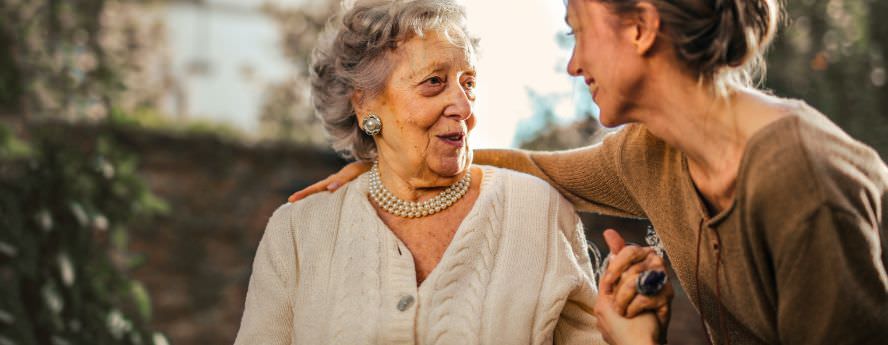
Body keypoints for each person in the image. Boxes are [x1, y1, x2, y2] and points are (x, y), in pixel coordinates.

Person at [290, 0, 888, 344]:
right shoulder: (651, 153)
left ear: (640, 27)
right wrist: (388, 164)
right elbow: (531, 167)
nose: (573, 64)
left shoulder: (802, 181)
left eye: (578, 31)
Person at [236, 1, 670, 344]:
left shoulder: (536, 210)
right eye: (434, 83)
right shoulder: (298, 231)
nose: (463, 108)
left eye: (469, 83)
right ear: (365, 104)